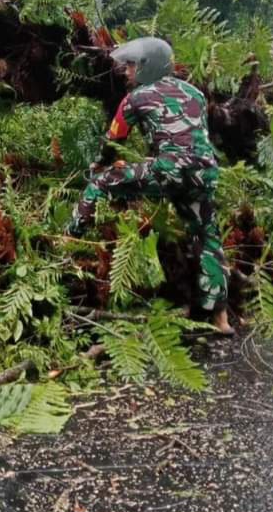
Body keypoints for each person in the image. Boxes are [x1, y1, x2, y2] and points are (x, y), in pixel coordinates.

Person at [66, 37, 234, 335]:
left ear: (149, 66)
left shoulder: (136, 98)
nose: (127, 71)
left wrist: (98, 167)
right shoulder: (195, 93)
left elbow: (113, 141)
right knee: (208, 238)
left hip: (170, 170)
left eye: (132, 66)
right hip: (205, 173)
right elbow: (192, 140)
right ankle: (221, 319)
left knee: (100, 183)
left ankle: (66, 242)